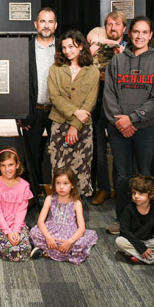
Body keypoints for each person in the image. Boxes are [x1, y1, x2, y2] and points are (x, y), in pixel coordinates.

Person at [103, 16, 154, 234]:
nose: (139, 36)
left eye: (144, 32)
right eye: (136, 32)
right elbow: (109, 95)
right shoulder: (117, 61)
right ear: (129, 34)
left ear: (151, 35)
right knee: (121, 176)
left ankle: (146, 220)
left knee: (145, 175)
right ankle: (122, 218)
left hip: (146, 129)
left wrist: (132, 119)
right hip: (118, 128)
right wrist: (120, 120)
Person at [48, 30, 100, 199]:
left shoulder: (92, 71)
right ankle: (58, 214)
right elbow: (55, 97)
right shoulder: (55, 69)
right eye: (63, 48)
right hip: (59, 125)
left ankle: (78, 215)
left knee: (81, 171)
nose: (67, 51)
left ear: (81, 46)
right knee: (59, 170)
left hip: (83, 128)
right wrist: (75, 112)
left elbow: (90, 102)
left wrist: (75, 125)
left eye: (71, 46)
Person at [89, 11, 127, 206]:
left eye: (117, 24)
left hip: (118, 106)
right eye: (109, 24)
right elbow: (85, 73)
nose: (113, 28)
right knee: (98, 152)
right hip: (96, 104)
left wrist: (120, 62)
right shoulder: (97, 47)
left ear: (124, 28)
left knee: (120, 153)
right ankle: (103, 188)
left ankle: (121, 192)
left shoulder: (128, 51)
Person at [20, 7, 58, 190]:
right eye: (42, 21)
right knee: (32, 157)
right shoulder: (24, 49)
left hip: (58, 112)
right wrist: (21, 113)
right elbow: (18, 82)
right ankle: (32, 198)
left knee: (60, 157)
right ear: (36, 24)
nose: (46, 25)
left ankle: (60, 200)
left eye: (50, 21)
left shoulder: (63, 48)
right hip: (33, 111)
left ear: (55, 25)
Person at [29, 166, 98, 264]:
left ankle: (47, 252)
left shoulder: (76, 203)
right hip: (51, 232)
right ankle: (60, 253)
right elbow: (40, 221)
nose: (61, 187)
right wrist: (48, 237)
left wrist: (69, 242)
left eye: (66, 183)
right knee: (34, 232)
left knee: (80, 243)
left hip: (68, 236)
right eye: (58, 183)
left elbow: (81, 228)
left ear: (72, 185)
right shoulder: (49, 199)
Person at [0, 148, 34, 262]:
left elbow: (21, 212)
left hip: (17, 224)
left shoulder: (24, 185)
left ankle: (16, 239)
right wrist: (8, 232)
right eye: (3, 165)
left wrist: (15, 230)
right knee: (9, 250)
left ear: (17, 165)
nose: (7, 169)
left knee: (25, 249)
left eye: (10, 165)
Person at [114, 175, 154, 266]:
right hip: (132, 241)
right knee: (119, 241)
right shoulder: (129, 209)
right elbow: (124, 231)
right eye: (133, 193)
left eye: (140, 193)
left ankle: (135, 255)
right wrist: (142, 248)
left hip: (148, 242)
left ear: (151, 195)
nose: (136, 196)